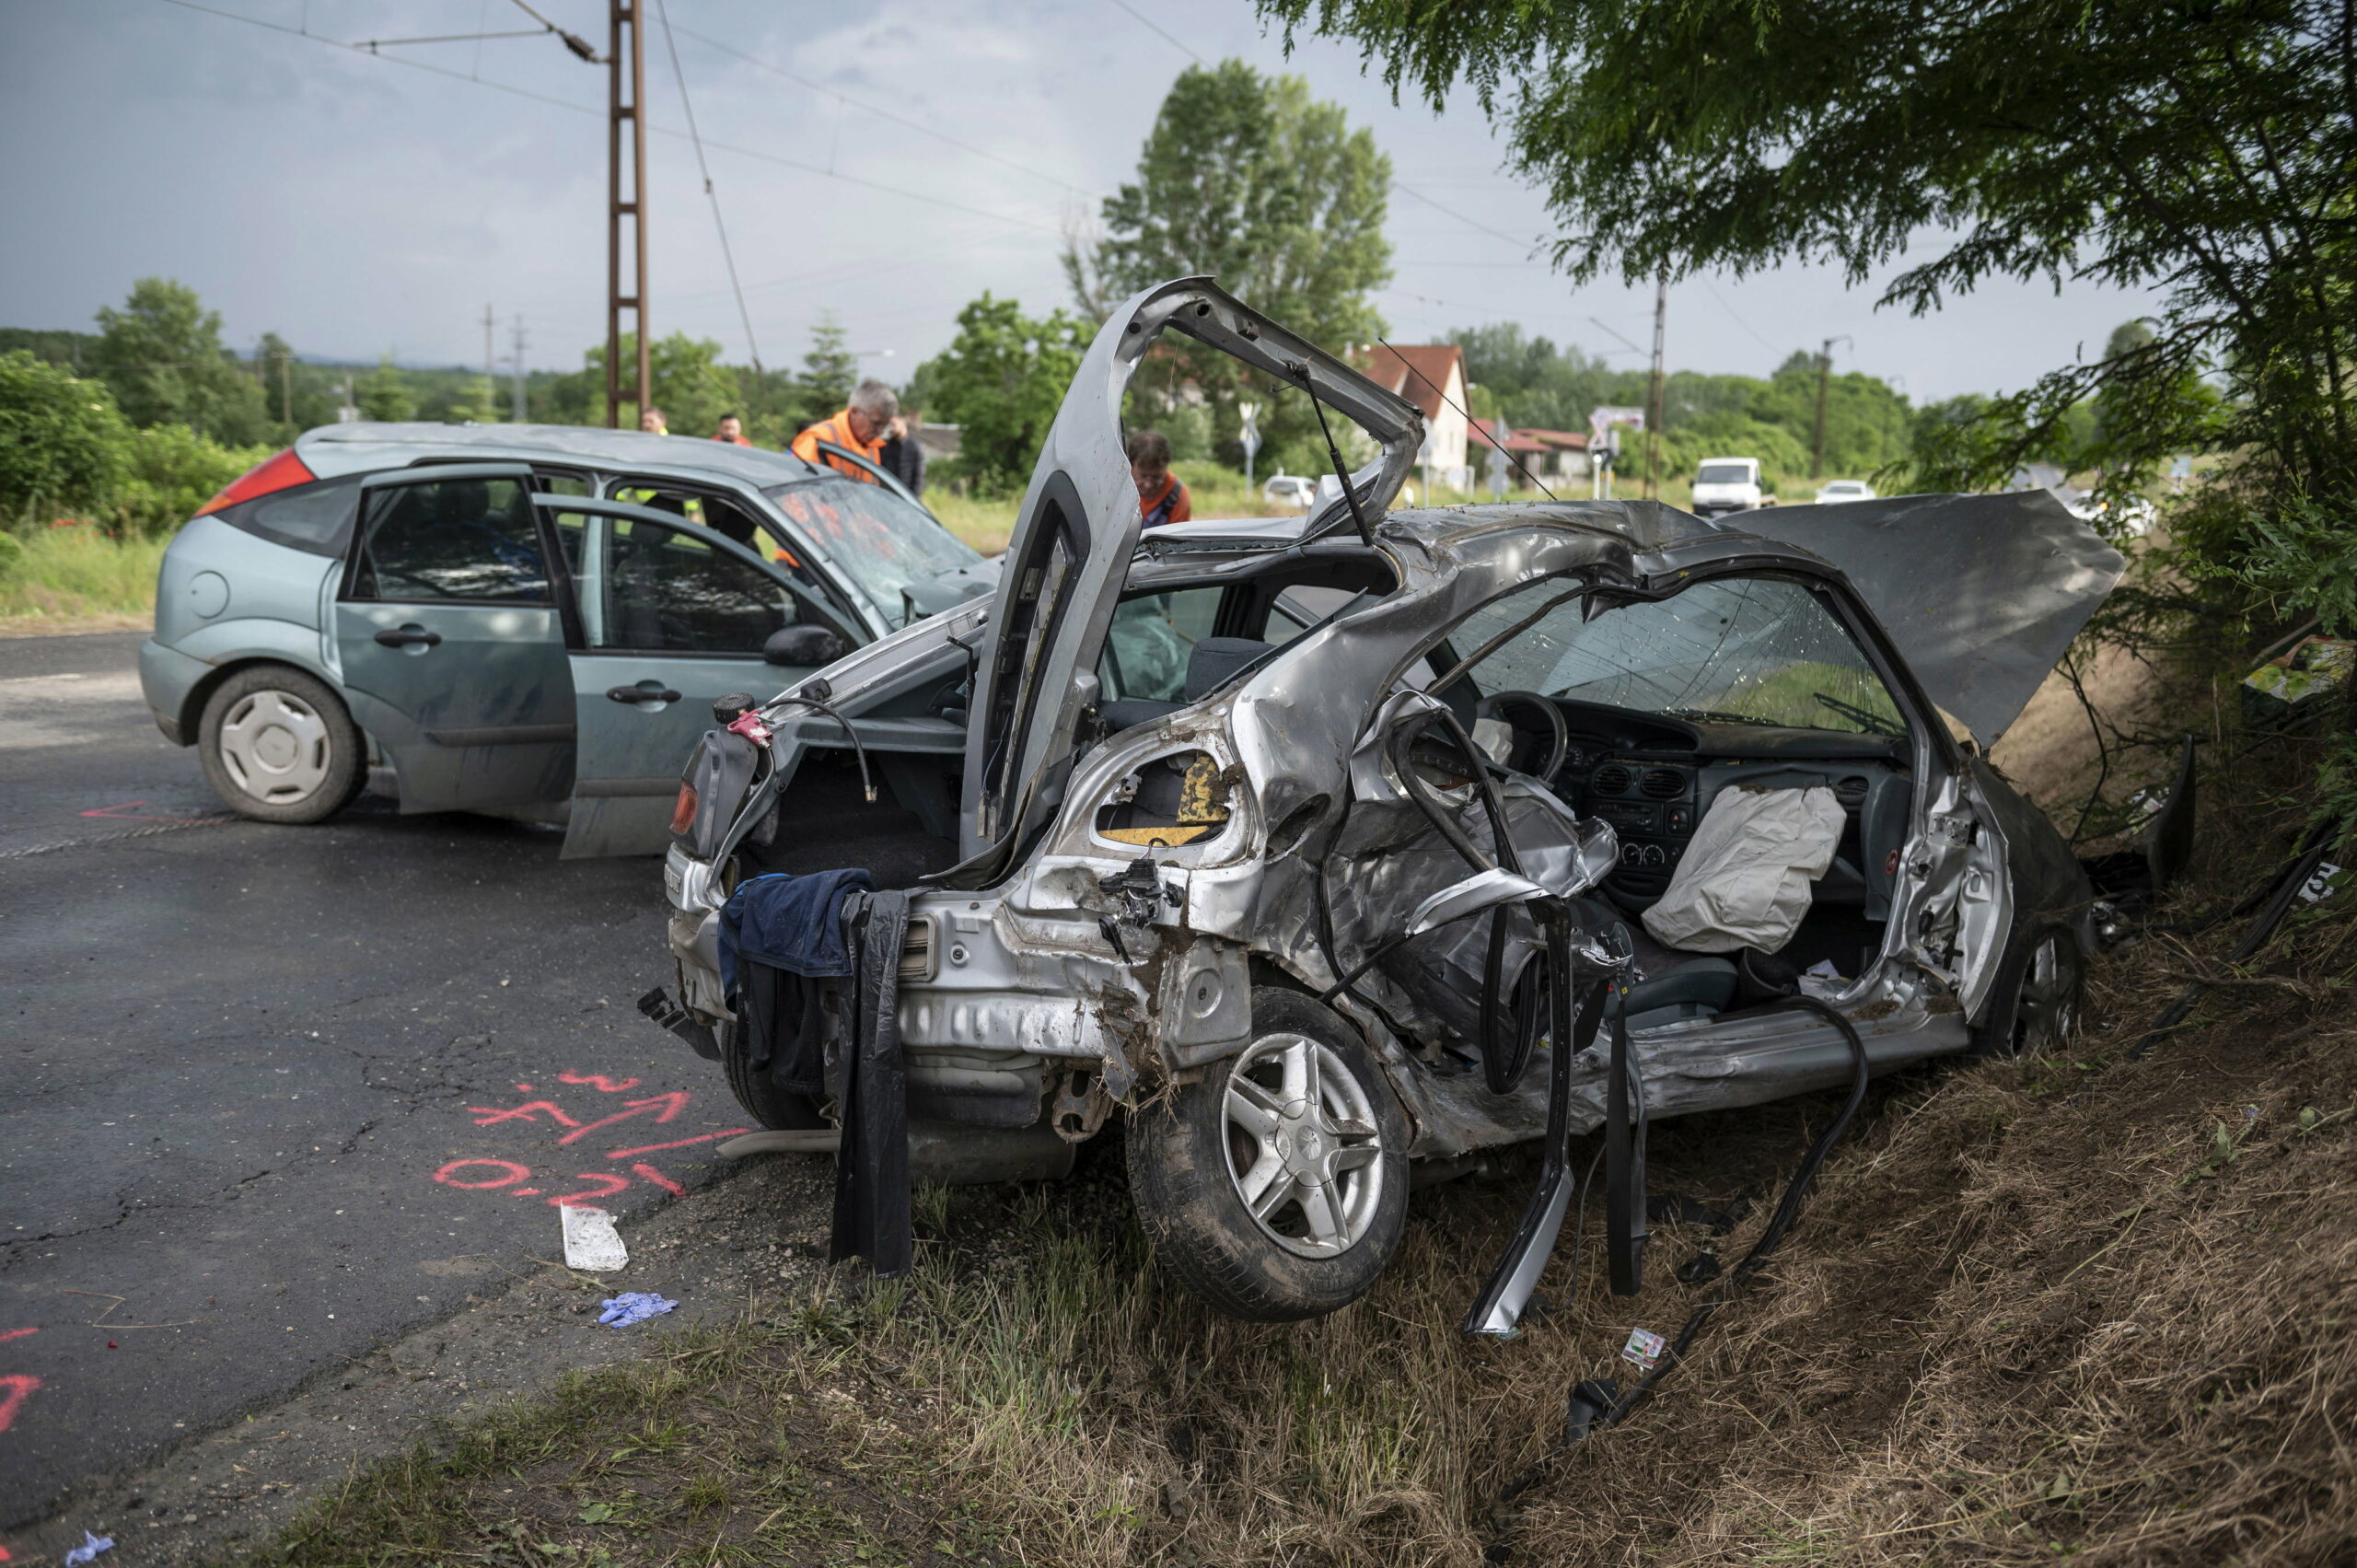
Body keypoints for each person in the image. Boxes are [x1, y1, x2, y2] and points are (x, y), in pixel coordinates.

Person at [791, 379, 896, 482]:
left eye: (885, 425)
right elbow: (796, 490)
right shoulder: (817, 439)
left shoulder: (872, 448)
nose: (880, 431)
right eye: (876, 423)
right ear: (854, 411)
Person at [1129, 429, 1190, 527]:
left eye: (1156, 477)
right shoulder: (1119, 490)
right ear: (1130, 466)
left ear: (1166, 467)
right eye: (1143, 476)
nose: (1148, 485)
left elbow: (1178, 540)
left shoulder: (1178, 495)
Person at [878, 406, 927, 496]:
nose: (891, 428)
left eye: (893, 424)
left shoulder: (915, 447)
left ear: (903, 422)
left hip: (906, 497)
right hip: (886, 495)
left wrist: (913, 500)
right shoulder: (884, 446)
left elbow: (918, 477)